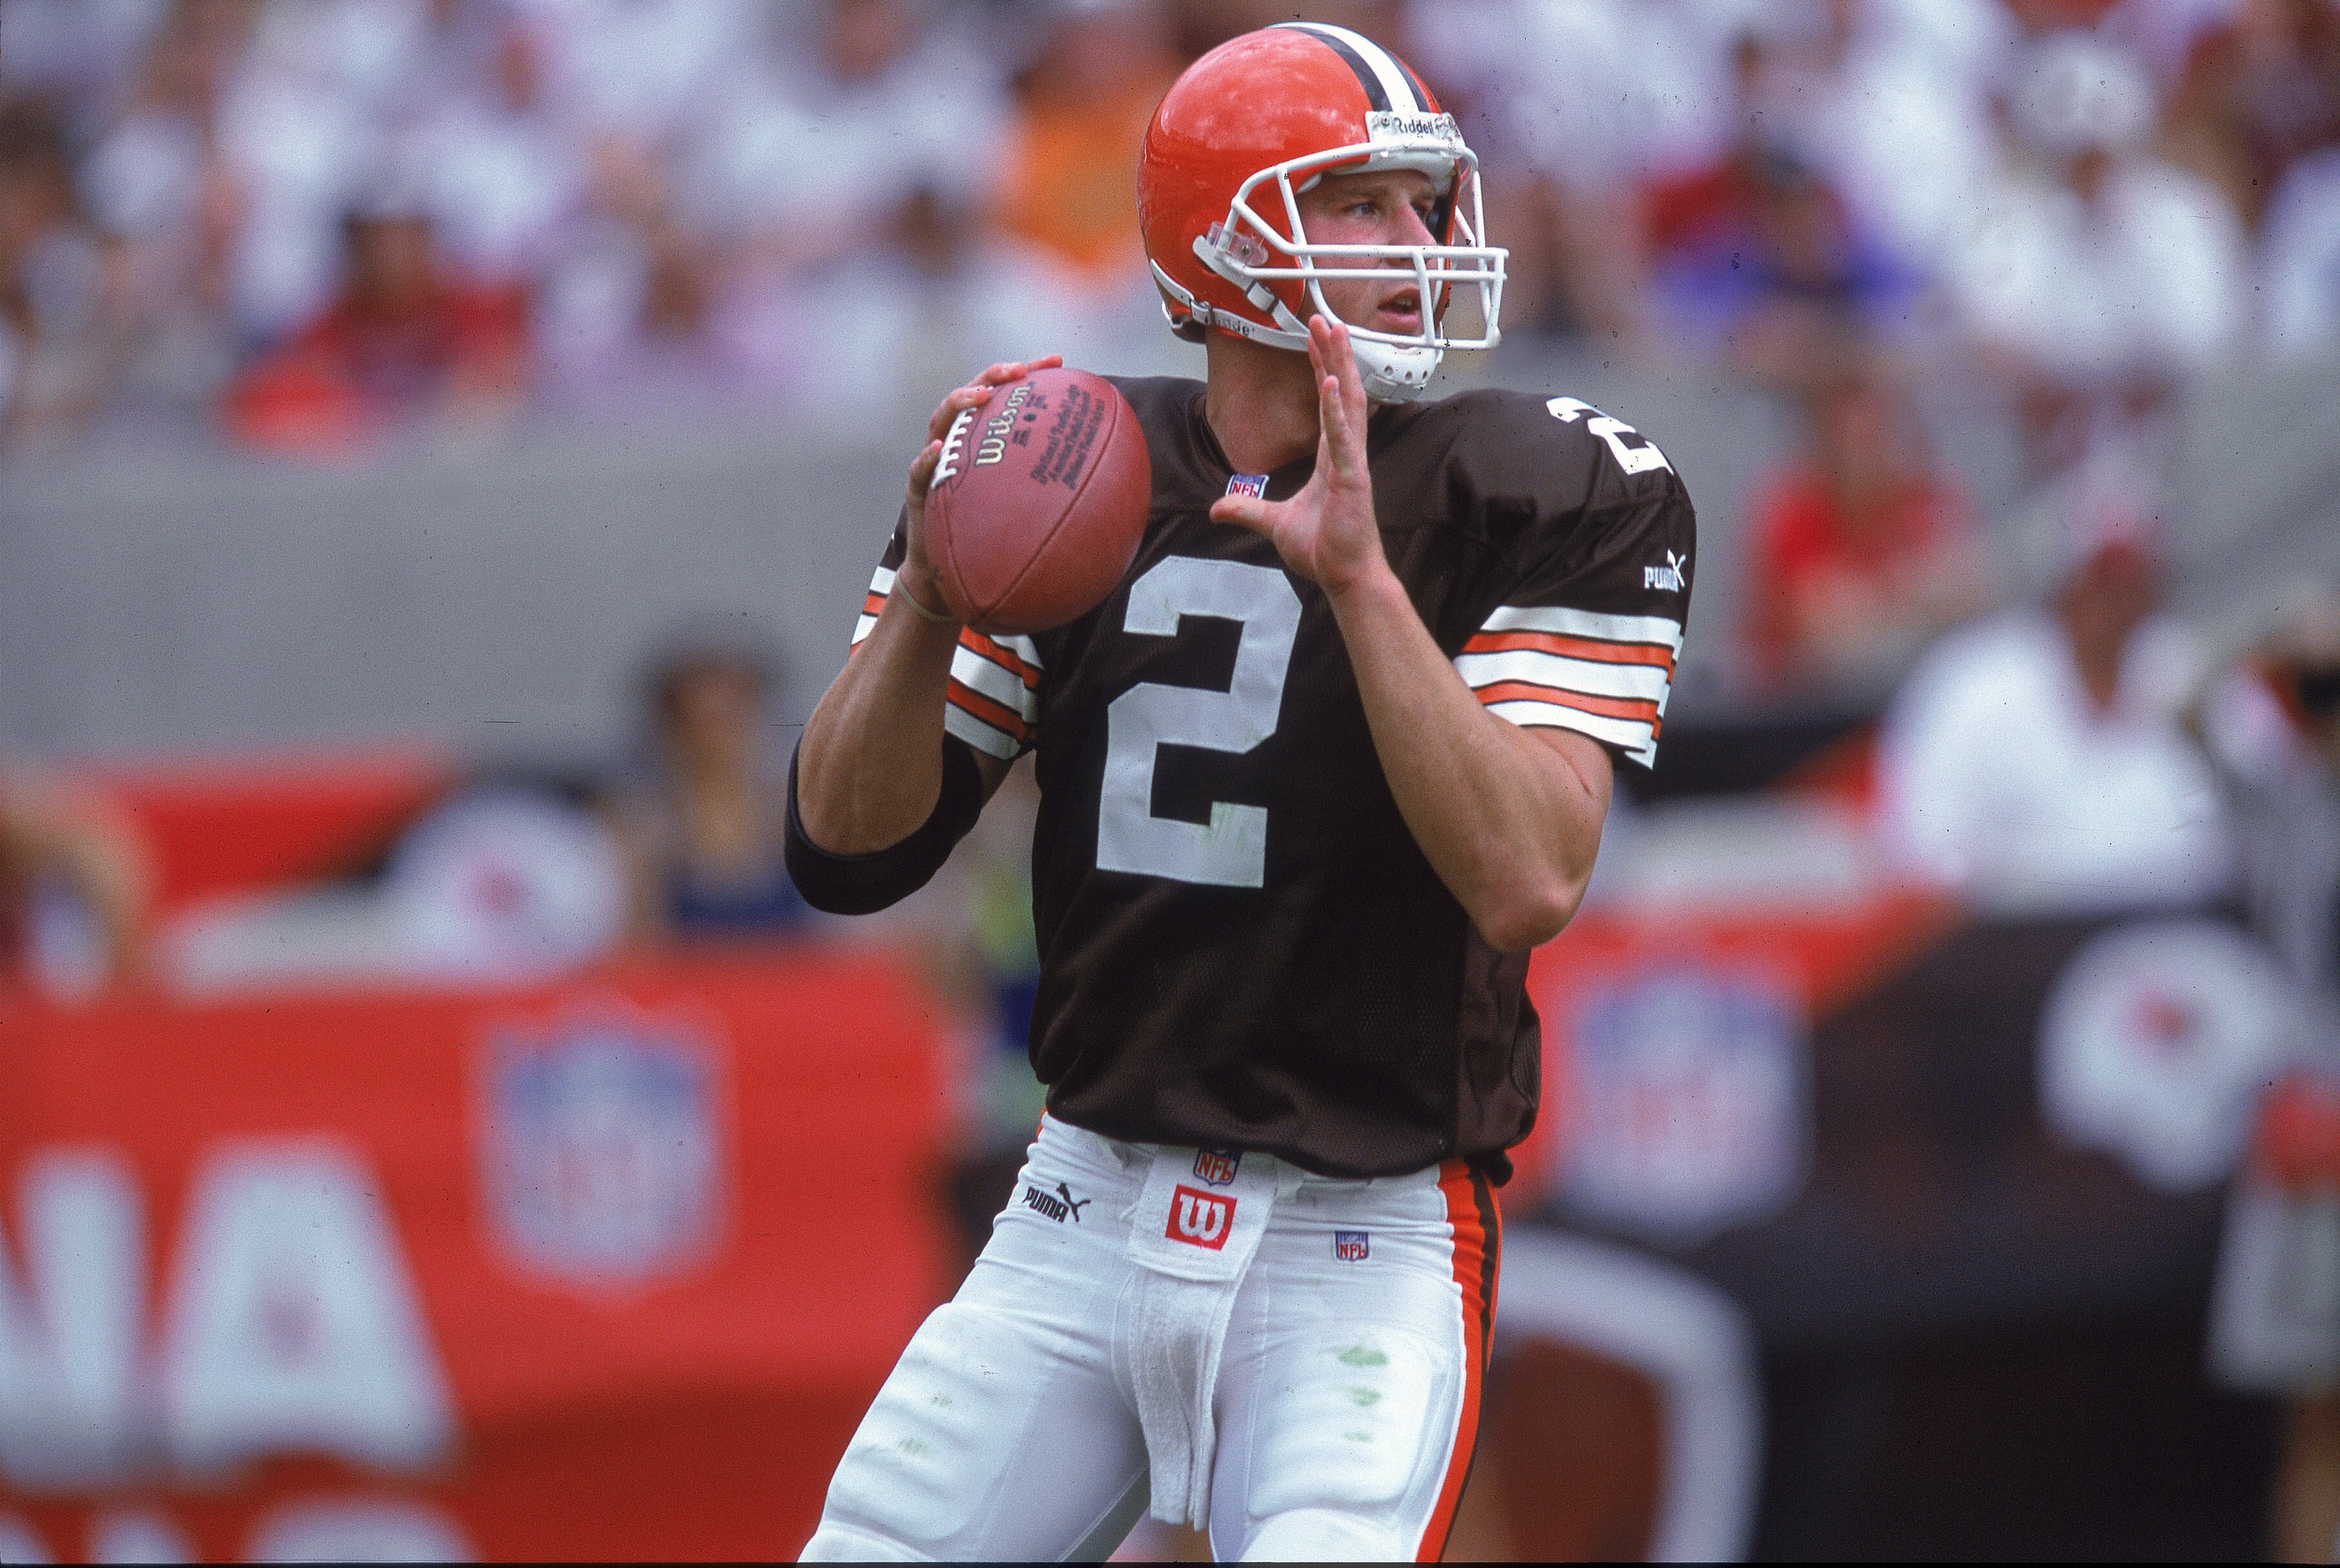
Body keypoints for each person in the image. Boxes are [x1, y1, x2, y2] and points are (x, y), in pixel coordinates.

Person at [784, 23, 1696, 1562]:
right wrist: (936, 591)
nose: (1421, 245)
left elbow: (1530, 878)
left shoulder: (1547, 485)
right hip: (1079, 1203)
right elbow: (845, 848)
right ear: (1224, 237)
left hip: (1369, 1221)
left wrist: (1361, 584)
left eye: (1428, 202)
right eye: (1362, 203)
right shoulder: (1071, 464)